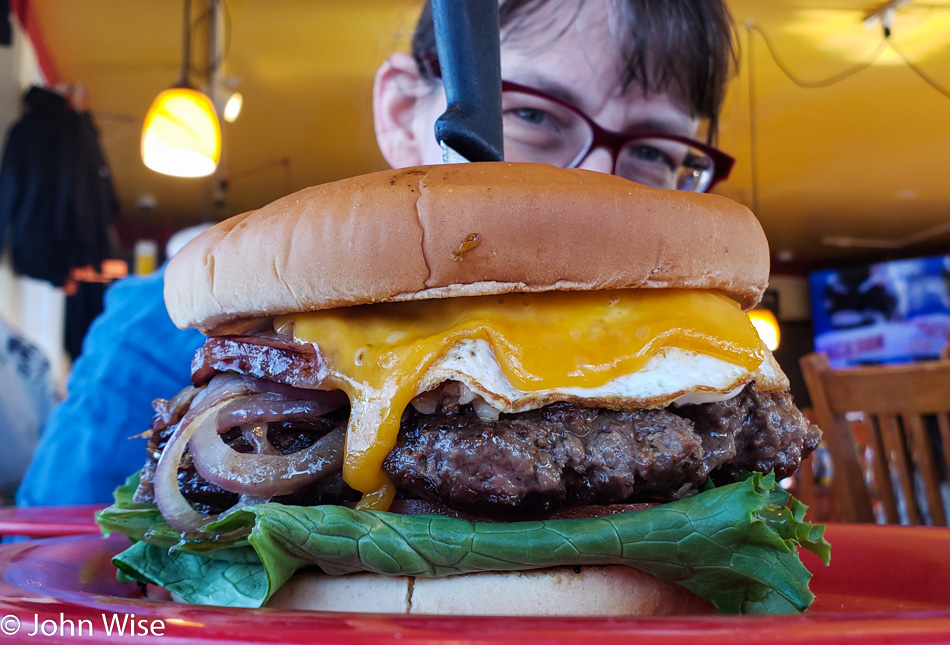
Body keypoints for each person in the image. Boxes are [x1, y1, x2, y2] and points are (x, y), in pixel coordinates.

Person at [17, 0, 738, 506]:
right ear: (403, 111)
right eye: (532, 114)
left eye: (650, 148)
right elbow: (39, 575)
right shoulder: (158, 332)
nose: (592, 190)